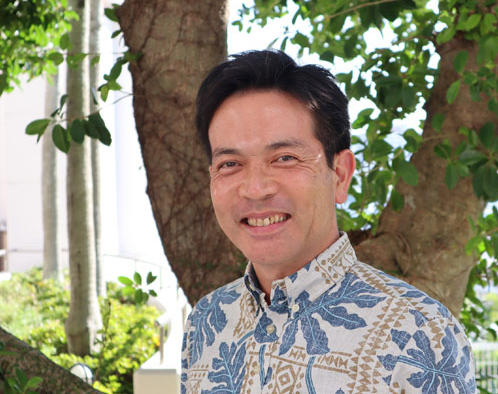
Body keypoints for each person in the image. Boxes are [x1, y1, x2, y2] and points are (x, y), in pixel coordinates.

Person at [181, 49, 476, 393]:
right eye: (230, 164)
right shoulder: (206, 321)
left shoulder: (420, 332)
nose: (256, 189)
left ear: (340, 173)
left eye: (285, 158)